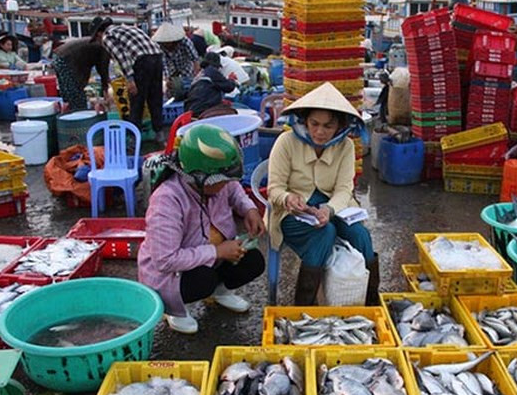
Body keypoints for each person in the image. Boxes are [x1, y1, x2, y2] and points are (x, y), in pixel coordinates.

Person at [138, 124, 266, 334]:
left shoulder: (218, 182)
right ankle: (175, 310)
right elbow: (165, 259)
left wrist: (249, 210)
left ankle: (220, 292)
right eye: (221, 181)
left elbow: (234, 189)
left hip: (213, 255)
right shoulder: (166, 200)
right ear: (197, 178)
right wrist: (217, 251)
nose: (225, 185)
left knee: (253, 260)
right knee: (202, 280)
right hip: (172, 273)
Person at [267, 82, 379, 306]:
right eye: (314, 124)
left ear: (339, 125)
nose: (320, 132)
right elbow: (274, 189)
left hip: (335, 206)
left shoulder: (345, 146)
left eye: (328, 126)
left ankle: (370, 302)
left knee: (361, 236)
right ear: (305, 121)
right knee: (324, 233)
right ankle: (305, 306)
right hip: (291, 213)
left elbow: (344, 189)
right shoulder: (286, 142)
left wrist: (329, 209)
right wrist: (288, 198)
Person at [89, 16, 164, 133]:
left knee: (136, 102)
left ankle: (133, 138)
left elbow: (122, 57)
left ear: (99, 33)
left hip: (142, 61)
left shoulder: (107, 37)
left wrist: (130, 80)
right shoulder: (128, 28)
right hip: (157, 57)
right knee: (155, 98)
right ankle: (160, 133)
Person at [52, 37, 110, 111]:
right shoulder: (105, 47)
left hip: (58, 56)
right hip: (66, 60)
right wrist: (105, 88)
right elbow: (103, 68)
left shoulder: (98, 44)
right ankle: (79, 116)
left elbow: (99, 66)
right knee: (77, 96)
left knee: (67, 93)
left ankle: (67, 113)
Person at [152, 22, 199, 98]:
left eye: (169, 43)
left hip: (185, 65)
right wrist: (167, 79)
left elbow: (195, 59)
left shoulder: (185, 42)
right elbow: (163, 64)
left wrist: (197, 76)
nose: (168, 45)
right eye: (165, 43)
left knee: (189, 86)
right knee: (173, 87)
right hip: (171, 66)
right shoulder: (159, 46)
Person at [184, 52, 238, 117]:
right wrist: (231, 79)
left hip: (191, 110)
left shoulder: (199, 74)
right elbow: (229, 87)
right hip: (203, 109)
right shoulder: (212, 71)